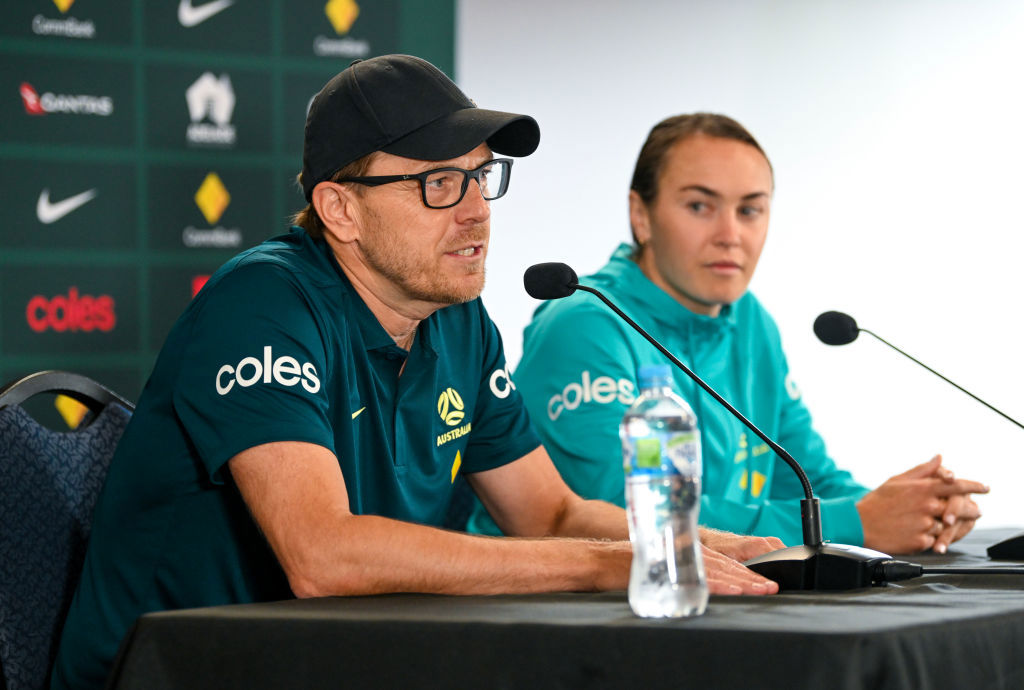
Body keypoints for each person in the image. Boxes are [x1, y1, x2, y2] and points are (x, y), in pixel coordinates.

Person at [51, 61, 782, 690]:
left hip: (340, 662)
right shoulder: (262, 304)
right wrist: (602, 567)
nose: (474, 213)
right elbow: (323, 556)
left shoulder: (456, 320)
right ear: (341, 209)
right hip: (175, 674)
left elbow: (548, 515)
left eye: (480, 177)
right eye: (437, 184)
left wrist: (707, 546)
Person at [469, 112, 989, 556]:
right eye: (700, 206)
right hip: (581, 618)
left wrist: (914, 509)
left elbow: (807, 476)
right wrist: (858, 522)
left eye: (750, 210)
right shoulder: (584, 324)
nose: (730, 234)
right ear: (640, 216)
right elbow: (620, 510)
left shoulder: (749, 320)